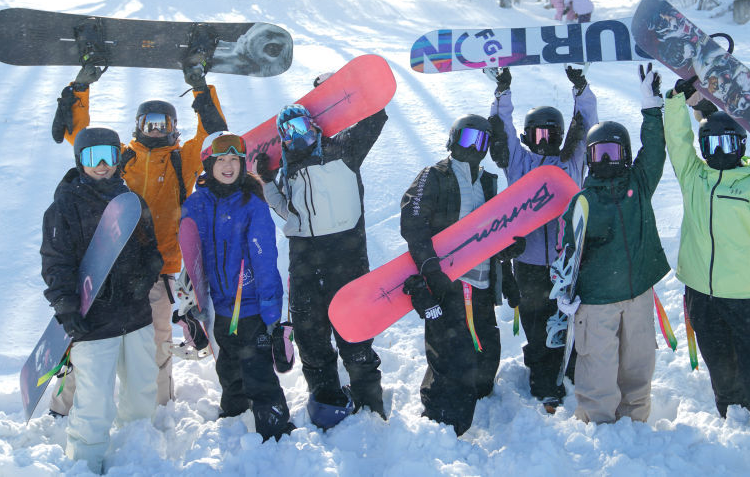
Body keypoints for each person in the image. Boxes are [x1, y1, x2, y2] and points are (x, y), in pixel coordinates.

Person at [48, 60, 228, 414]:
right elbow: (81, 137)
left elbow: (211, 133)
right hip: (104, 265)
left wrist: (200, 87)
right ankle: (63, 407)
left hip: (156, 269)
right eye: (150, 124)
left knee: (158, 343)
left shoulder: (182, 160)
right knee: (85, 340)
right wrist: (80, 87)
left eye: (164, 124)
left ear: (174, 127)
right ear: (138, 125)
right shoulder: (122, 156)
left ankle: (159, 408)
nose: (157, 131)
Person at [665, 76, 750, 449]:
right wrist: (677, 101)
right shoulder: (694, 176)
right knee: (723, 372)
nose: (718, 151)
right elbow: (677, 142)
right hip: (701, 293)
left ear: (740, 146)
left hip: (745, 297)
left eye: (727, 142)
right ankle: (736, 426)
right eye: (710, 143)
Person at [255, 89, 387, 428]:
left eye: (301, 127)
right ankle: (326, 400)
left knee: (353, 333)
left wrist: (343, 95)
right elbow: (289, 213)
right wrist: (268, 182)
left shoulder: (344, 150)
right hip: (304, 260)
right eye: (288, 133)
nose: (297, 137)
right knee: (309, 335)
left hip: (346, 256)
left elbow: (377, 116)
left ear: (314, 126)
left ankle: (370, 405)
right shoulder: (289, 171)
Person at [41, 127, 163, 473]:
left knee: (141, 391)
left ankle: (135, 452)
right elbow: (55, 262)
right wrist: (66, 307)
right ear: (80, 160)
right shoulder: (64, 207)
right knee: (94, 403)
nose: (103, 166)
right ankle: (85, 462)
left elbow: (150, 249)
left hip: (135, 316)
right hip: (93, 323)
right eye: (94, 158)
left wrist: (148, 273)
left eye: (110, 156)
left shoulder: (131, 201)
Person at [556, 64, 671, 425]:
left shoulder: (638, 183)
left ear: (624, 154)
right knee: (598, 370)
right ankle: (596, 425)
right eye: (599, 153)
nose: (607, 161)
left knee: (638, 367)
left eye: (613, 153)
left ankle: (636, 422)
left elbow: (654, 150)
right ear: (590, 157)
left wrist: (651, 107)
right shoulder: (582, 201)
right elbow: (568, 254)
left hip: (637, 294)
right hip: (597, 303)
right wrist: (563, 288)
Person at [399, 115, 525, 436]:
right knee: (451, 353)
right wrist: (431, 270)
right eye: (469, 138)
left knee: (485, 350)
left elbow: (496, 232)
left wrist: (506, 264)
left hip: (481, 284)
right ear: (454, 138)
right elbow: (413, 222)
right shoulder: (435, 175)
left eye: (482, 141)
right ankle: (442, 417)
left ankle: (479, 395)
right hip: (449, 283)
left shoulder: (488, 183)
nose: (474, 147)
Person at [487, 65, 598, 412]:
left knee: (571, 321)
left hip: (568, 262)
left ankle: (572, 371)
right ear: (527, 138)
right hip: (531, 261)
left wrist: (581, 88)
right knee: (537, 321)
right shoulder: (519, 162)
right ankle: (542, 376)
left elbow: (589, 124)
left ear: (562, 136)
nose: (545, 143)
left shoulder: (573, 161)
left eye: (552, 136)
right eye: (537, 136)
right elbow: (500, 130)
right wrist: (503, 92)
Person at [181, 131, 294, 440]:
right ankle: (234, 416)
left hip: (251, 306)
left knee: (258, 372)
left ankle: (276, 429)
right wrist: (192, 305)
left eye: (235, 159)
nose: (229, 166)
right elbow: (191, 258)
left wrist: (271, 313)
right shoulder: (196, 204)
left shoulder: (251, 202)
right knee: (229, 368)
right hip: (218, 308)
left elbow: (265, 258)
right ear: (208, 163)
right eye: (222, 160)